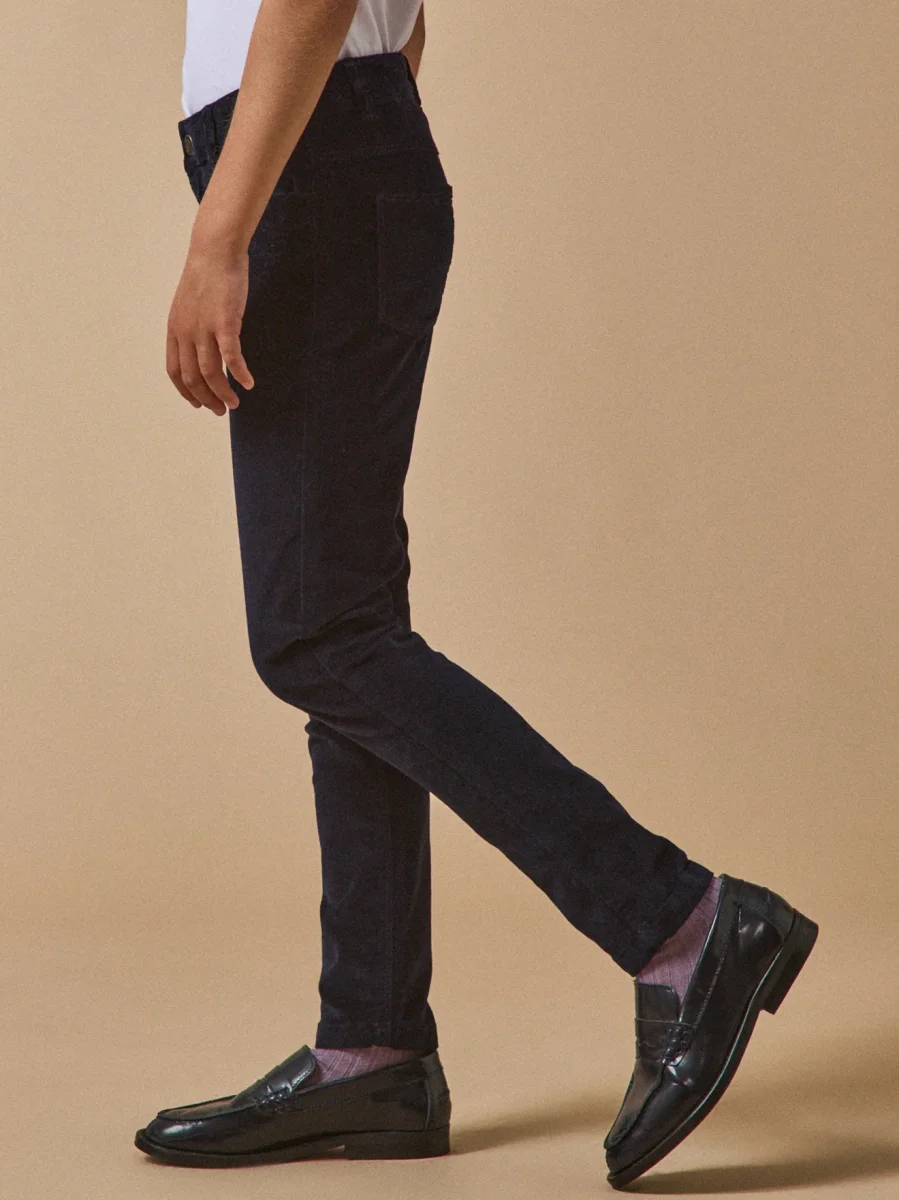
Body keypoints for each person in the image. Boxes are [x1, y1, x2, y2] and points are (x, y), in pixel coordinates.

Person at [134, 0, 818, 1187]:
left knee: (321, 635)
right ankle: (372, 1047)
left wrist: (220, 231)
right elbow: (396, 31)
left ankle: (682, 923)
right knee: (346, 629)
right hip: (328, 152)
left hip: (309, 164)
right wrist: (334, 145)